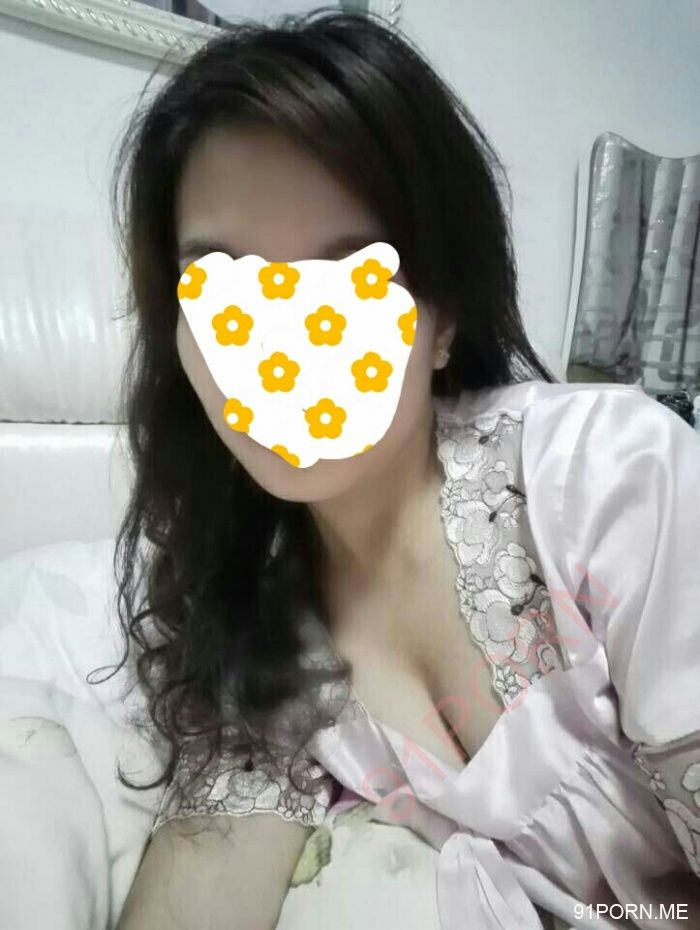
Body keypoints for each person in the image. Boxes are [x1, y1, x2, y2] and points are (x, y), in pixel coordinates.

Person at [109, 9, 700, 929]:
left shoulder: (611, 478)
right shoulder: (247, 622)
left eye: (350, 278)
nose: (282, 350)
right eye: (226, 286)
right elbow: (202, 879)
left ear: (443, 321)